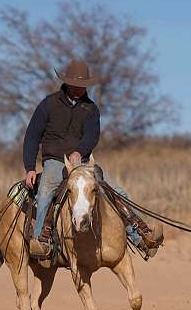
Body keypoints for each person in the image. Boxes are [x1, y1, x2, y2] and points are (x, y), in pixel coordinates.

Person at [23, 59, 163, 259]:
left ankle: (140, 237)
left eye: (83, 86)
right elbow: (32, 136)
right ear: (67, 82)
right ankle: (40, 242)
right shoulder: (48, 104)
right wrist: (29, 167)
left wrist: (80, 151)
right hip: (55, 161)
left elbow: (92, 135)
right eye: (76, 85)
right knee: (45, 191)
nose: (80, 89)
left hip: (83, 163)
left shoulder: (91, 109)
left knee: (118, 192)